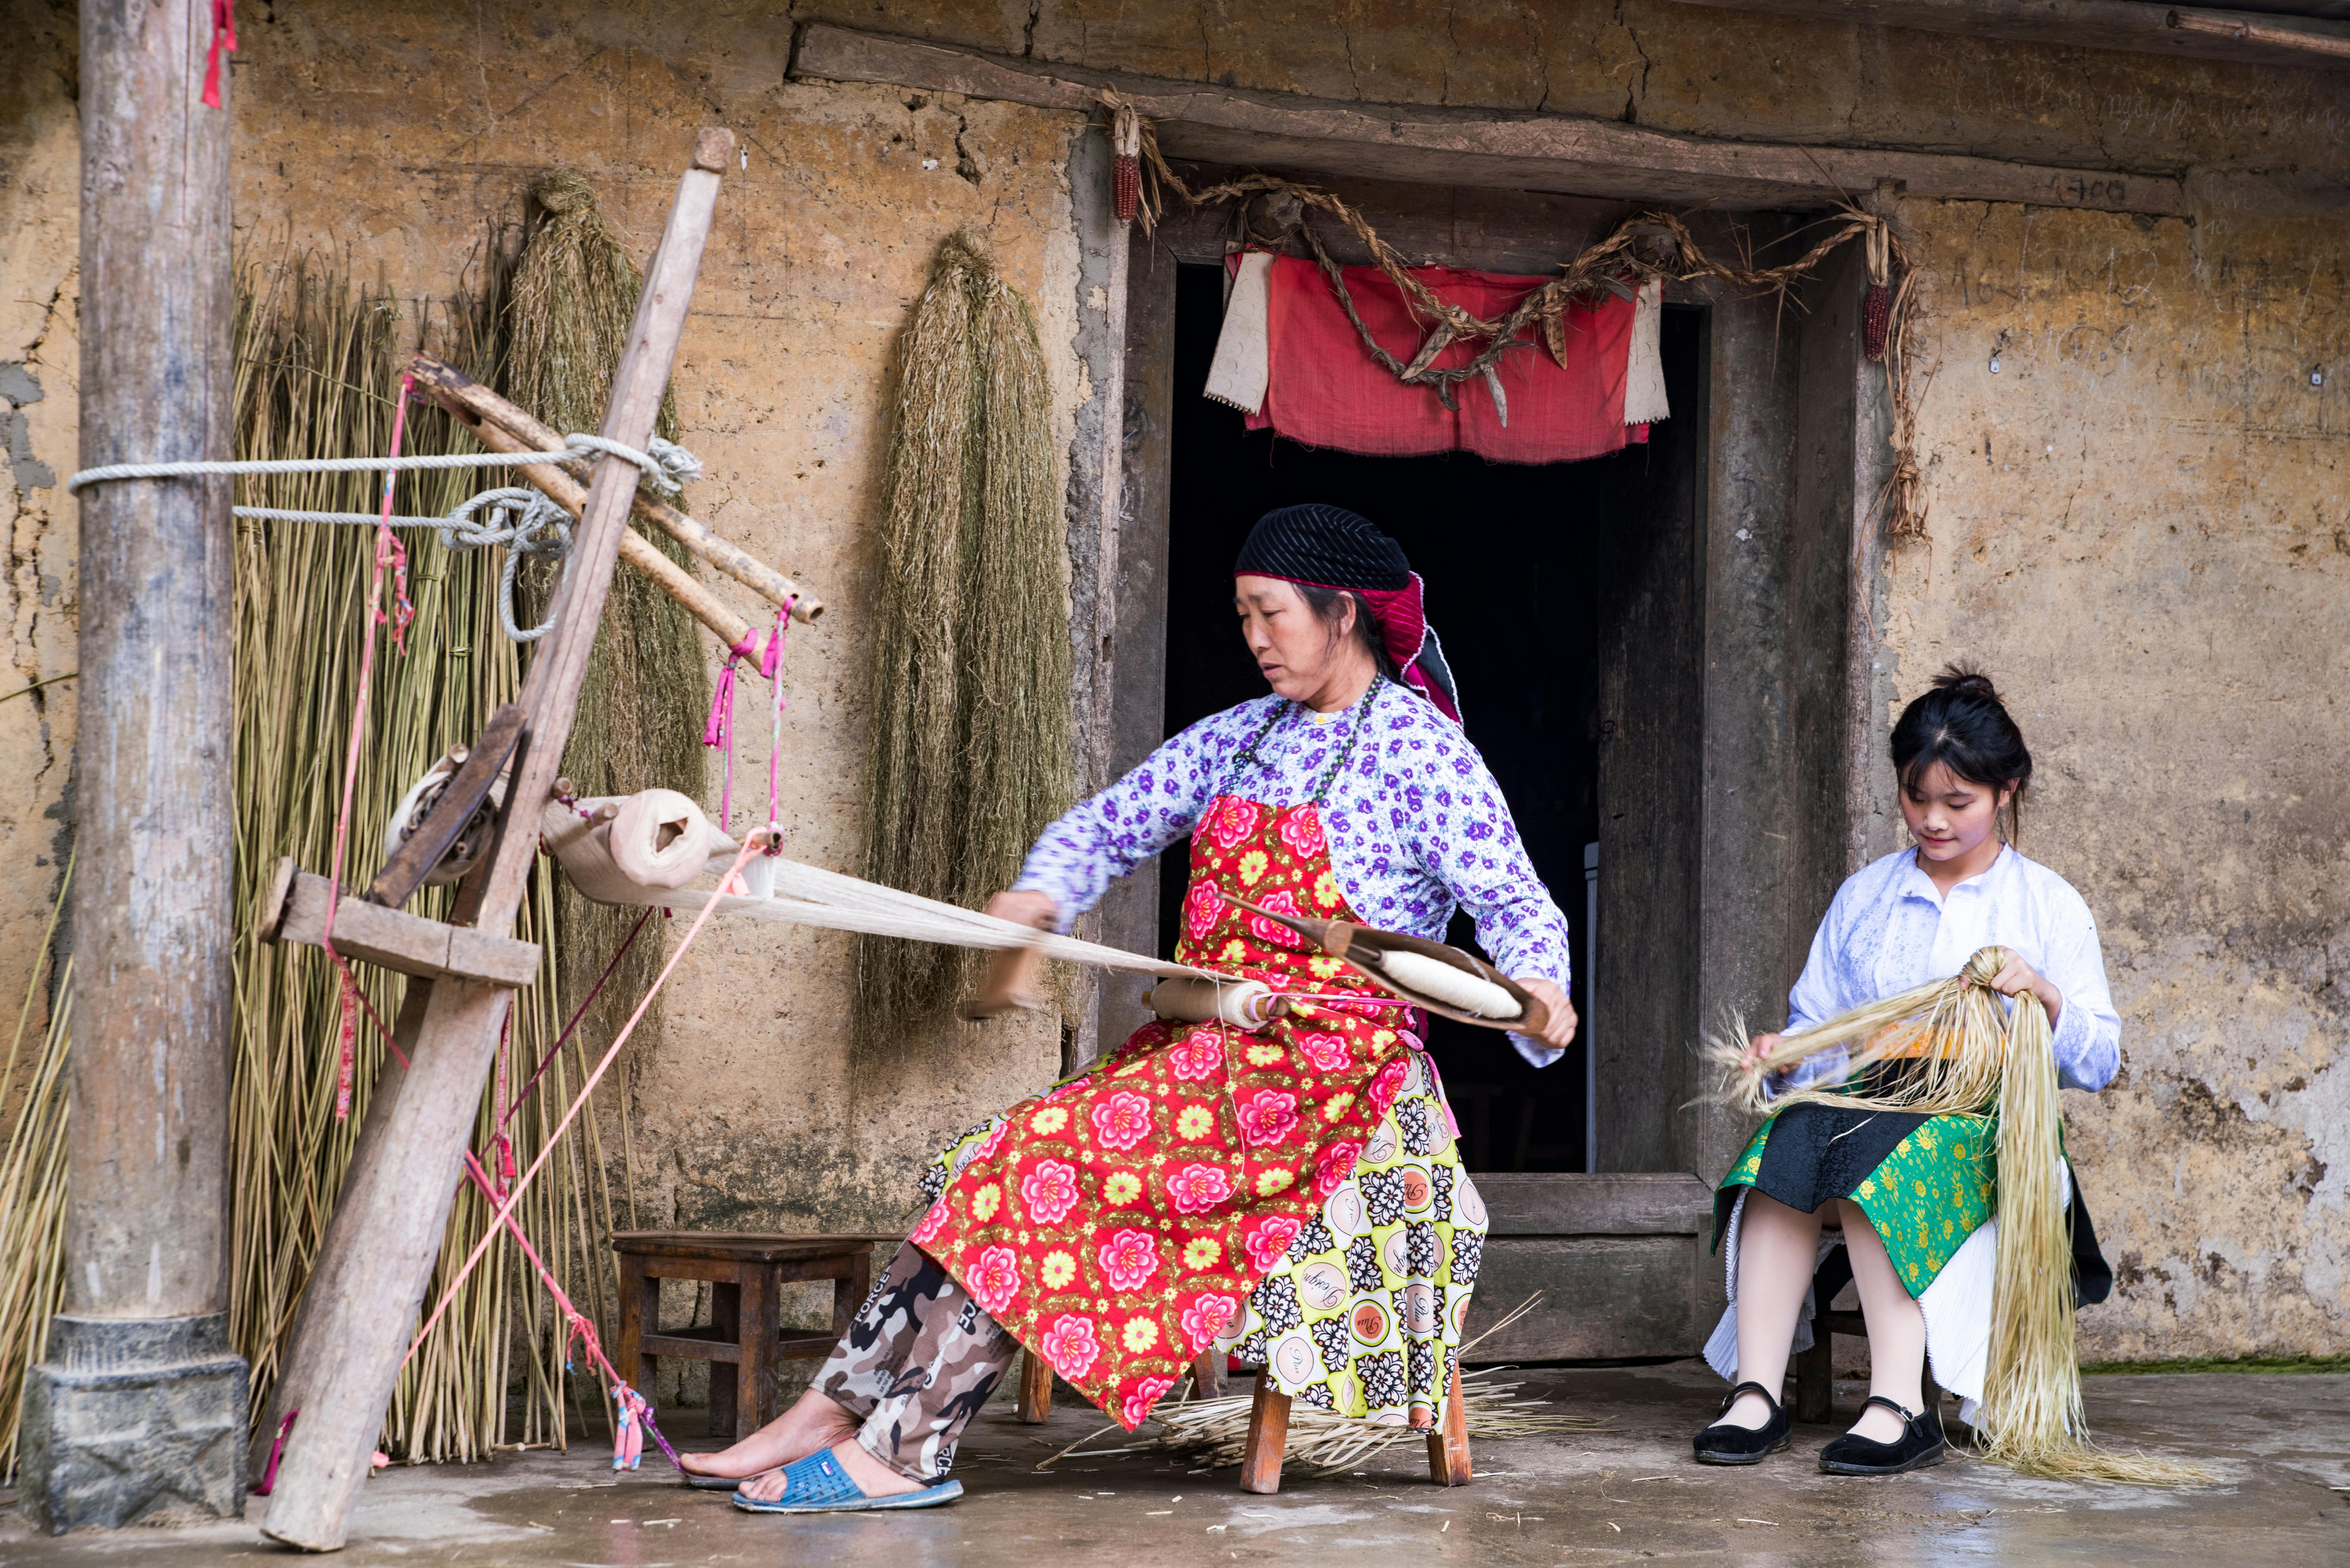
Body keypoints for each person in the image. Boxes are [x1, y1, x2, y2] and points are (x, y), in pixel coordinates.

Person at [684, 503, 1580, 1512]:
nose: (1253, 637)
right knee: (997, 1152)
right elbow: (1110, 825)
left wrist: (1540, 988)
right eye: (1243, 614)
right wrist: (1043, 890)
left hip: (1325, 1074)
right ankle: (834, 1411)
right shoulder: (1238, 741)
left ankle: (906, 1450)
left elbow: (1515, 903)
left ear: (1343, 615)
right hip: (1208, 1046)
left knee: (1044, 1161)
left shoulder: (1426, 757)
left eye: (1270, 613)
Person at [1691, 668, 2118, 1476]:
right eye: (1916, 797)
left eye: (1956, 803)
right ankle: (1755, 1391)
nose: (1931, 819)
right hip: (1868, 1098)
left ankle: (1898, 1404)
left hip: (1981, 1119)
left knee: (1874, 1160)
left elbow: (2099, 1058)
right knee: (1780, 1153)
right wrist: (1783, 1054)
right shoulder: (1866, 896)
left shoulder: (2046, 904)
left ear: (2005, 790)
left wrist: (2044, 995)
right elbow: (1822, 1028)